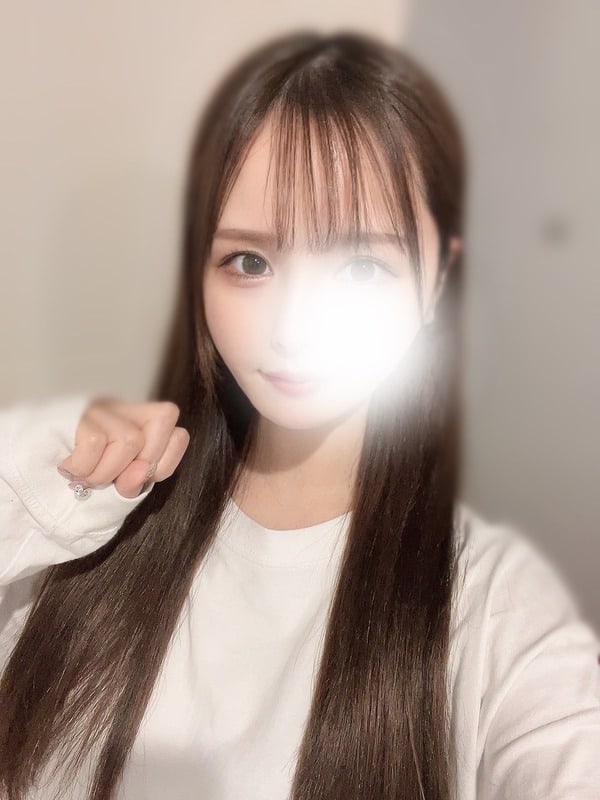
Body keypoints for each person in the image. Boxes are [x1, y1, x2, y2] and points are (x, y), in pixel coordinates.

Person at [0, 31, 599, 800]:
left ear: (437, 280)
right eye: (250, 262)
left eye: (360, 267)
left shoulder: (492, 607)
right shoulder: (83, 524)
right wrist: (31, 485)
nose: (292, 327)